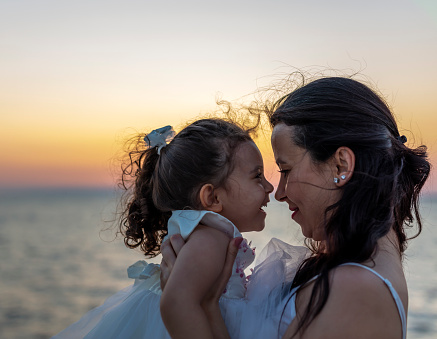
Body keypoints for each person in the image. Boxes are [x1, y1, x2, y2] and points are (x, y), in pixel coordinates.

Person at [160, 77, 431, 339]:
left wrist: (206, 307)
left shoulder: (354, 290)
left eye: (286, 170)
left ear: (341, 166)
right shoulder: (359, 266)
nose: (278, 193)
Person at [52, 118, 281, 339]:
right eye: (257, 176)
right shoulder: (211, 240)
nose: (270, 187)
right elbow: (176, 303)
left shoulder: (206, 237)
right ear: (212, 197)